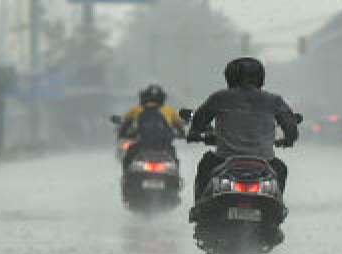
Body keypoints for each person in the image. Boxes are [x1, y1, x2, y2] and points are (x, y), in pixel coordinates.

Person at [186, 57, 298, 203]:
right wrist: (288, 139)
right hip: (265, 161)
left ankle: (199, 208)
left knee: (205, 165)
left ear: (230, 77)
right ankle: (276, 206)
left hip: (223, 159)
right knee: (281, 169)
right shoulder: (274, 100)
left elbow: (199, 120)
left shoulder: (219, 98)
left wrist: (194, 133)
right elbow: (290, 125)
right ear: (260, 78)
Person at [117, 84, 184, 165]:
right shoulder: (170, 111)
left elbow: (125, 124)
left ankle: (125, 176)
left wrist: (123, 134)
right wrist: (181, 134)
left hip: (142, 146)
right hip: (164, 146)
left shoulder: (136, 110)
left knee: (128, 157)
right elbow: (180, 127)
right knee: (174, 159)